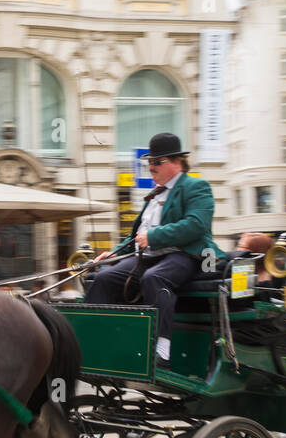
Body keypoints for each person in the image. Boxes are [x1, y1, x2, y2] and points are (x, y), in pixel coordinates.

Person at [86, 132, 220, 367]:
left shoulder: (196, 186)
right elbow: (137, 234)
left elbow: (197, 225)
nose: (151, 167)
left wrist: (155, 236)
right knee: (104, 277)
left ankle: (162, 351)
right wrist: (115, 253)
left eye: (157, 162)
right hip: (149, 255)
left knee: (154, 278)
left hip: (185, 254)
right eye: (149, 162)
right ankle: (97, 341)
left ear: (177, 162)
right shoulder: (155, 193)